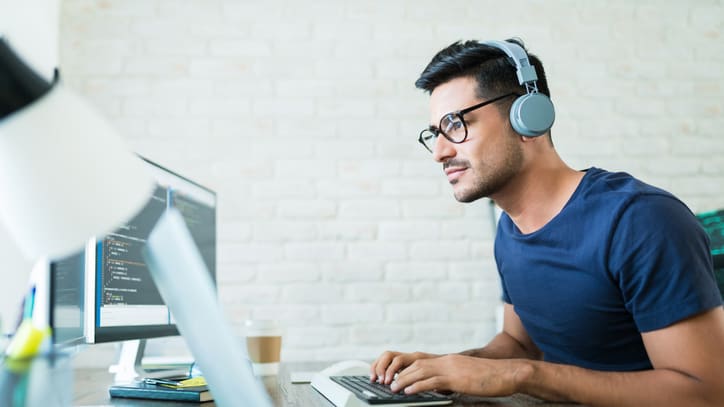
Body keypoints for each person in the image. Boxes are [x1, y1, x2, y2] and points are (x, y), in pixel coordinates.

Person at [370, 38, 724, 406]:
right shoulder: (510, 228)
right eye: (435, 134)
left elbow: (706, 394)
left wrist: (524, 374)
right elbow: (520, 345)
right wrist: (447, 367)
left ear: (529, 117)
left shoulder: (641, 221)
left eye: (456, 125)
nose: (441, 152)